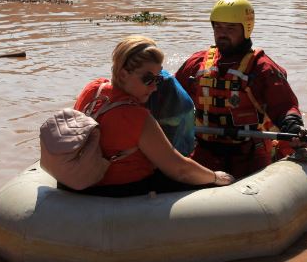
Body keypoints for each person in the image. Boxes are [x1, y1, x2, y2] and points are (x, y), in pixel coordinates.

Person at [72, 35, 234, 197]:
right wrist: (215, 177)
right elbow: (180, 170)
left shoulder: (93, 89)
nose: (155, 87)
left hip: (85, 184)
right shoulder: (137, 117)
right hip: (125, 190)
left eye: (157, 79)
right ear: (122, 75)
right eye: (148, 79)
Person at [175, 0, 307, 179]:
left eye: (230, 28)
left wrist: (294, 127)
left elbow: (285, 106)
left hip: (249, 154)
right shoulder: (197, 63)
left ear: (246, 29)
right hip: (204, 151)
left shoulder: (262, 68)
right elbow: (171, 95)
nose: (222, 33)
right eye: (218, 27)